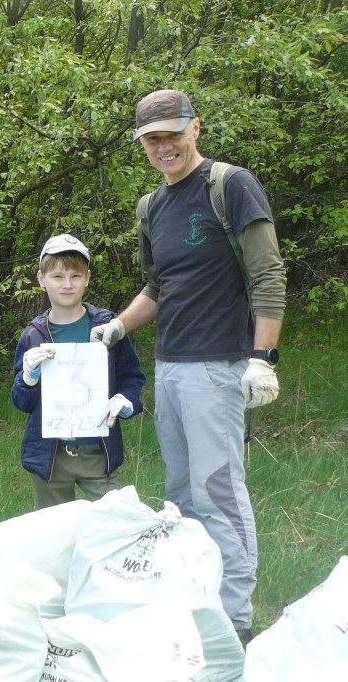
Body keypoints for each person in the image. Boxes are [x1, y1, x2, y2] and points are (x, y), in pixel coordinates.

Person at [91, 89, 286, 643]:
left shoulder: (230, 186)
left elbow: (269, 273)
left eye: (172, 134)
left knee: (219, 492)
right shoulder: (151, 207)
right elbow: (159, 286)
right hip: (170, 368)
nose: (164, 146)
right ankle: (197, 607)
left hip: (220, 367)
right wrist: (121, 326)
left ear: (195, 129)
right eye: (152, 139)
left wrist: (262, 359)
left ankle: (236, 621)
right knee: (181, 494)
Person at [10, 233, 145, 510]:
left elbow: (131, 377)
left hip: (97, 452)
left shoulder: (108, 327)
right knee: (54, 537)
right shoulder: (33, 336)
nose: (67, 284)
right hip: (50, 457)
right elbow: (22, 402)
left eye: (75, 276)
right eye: (58, 277)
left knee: (129, 518)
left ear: (87, 278)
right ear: (41, 279)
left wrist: (126, 401)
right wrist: (29, 377)